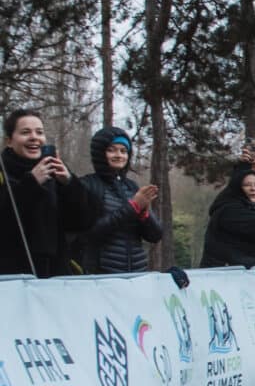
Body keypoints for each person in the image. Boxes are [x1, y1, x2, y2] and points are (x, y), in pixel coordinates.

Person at [1, 107, 96, 277]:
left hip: (55, 274)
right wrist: (31, 183)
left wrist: (69, 184)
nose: (34, 137)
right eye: (25, 132)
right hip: (12, 276)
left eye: (39, 132)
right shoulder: (3, 172)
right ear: (9, 141)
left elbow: (82, 223)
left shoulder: (55, 170)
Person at [78, 128, 164, 274]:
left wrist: (144, 214)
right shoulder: (88, 185)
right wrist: (132, 208)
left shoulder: (132, 187)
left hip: (137, 273)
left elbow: (155, 236)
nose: (119, 155)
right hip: (102, 276)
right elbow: (88, 233)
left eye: (123, 151)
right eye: (111, 150)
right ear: (100, 153)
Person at [202, 164, 255, 268]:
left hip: (242, 273)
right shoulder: (231, 211)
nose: (253, 189)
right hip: (225, 274)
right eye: (247, 185)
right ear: (238, 188)